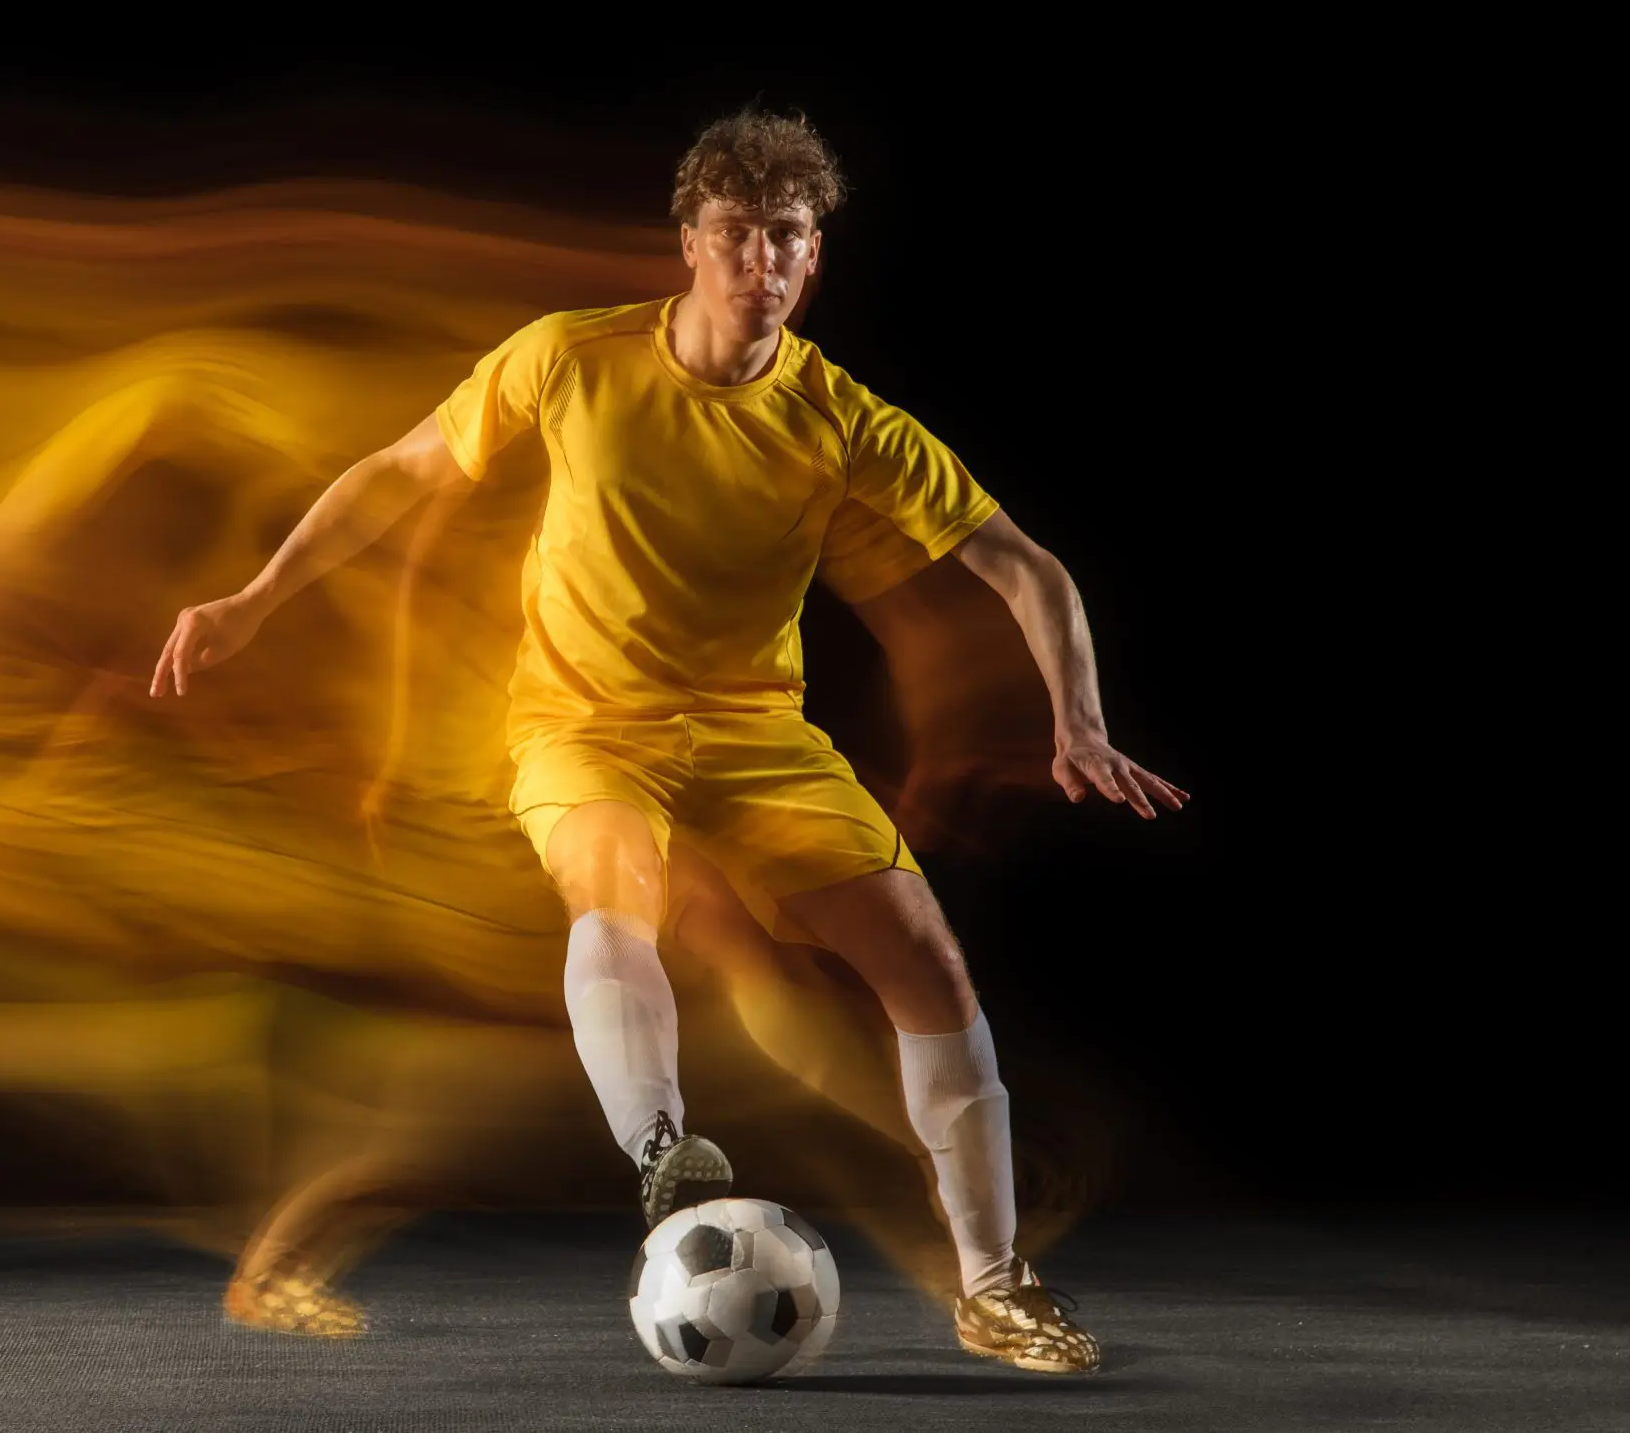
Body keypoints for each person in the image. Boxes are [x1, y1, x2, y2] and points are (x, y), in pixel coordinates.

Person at [151, 106, 1186, 1374]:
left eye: (789, 239)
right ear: (689, 245)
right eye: (739, 235)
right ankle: (663, 1154)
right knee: (613, 884)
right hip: (584, 722)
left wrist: (1076, 719)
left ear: (816, 260)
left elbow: (1026, 569)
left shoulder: (845, 419)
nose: (764, 262)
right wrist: (252, 600)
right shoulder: (567, 361)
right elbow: (399, 472)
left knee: (928, 968)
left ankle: (993, 1283)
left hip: (756, 735)